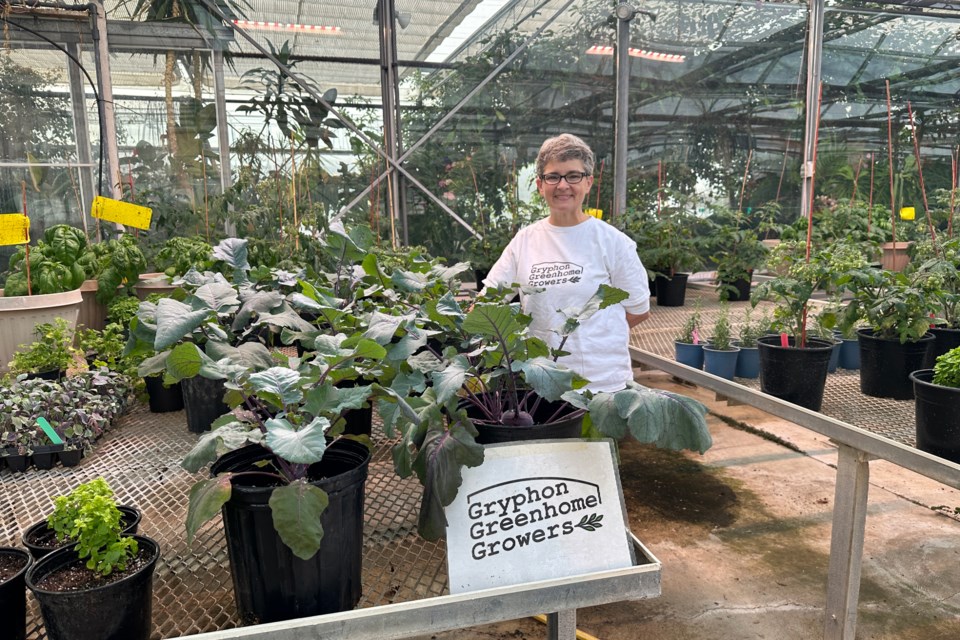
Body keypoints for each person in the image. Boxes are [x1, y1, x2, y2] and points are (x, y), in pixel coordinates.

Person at [482, 133, 651, 392]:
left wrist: (594, 336)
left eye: (573, 176)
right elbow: (489, 301)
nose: (563, 185)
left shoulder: (613, 243)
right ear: (540, 185)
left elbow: (638, 310)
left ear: (588, 183)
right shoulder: (524, 241)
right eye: (553, 177)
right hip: (540, 386)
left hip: (602, 386)